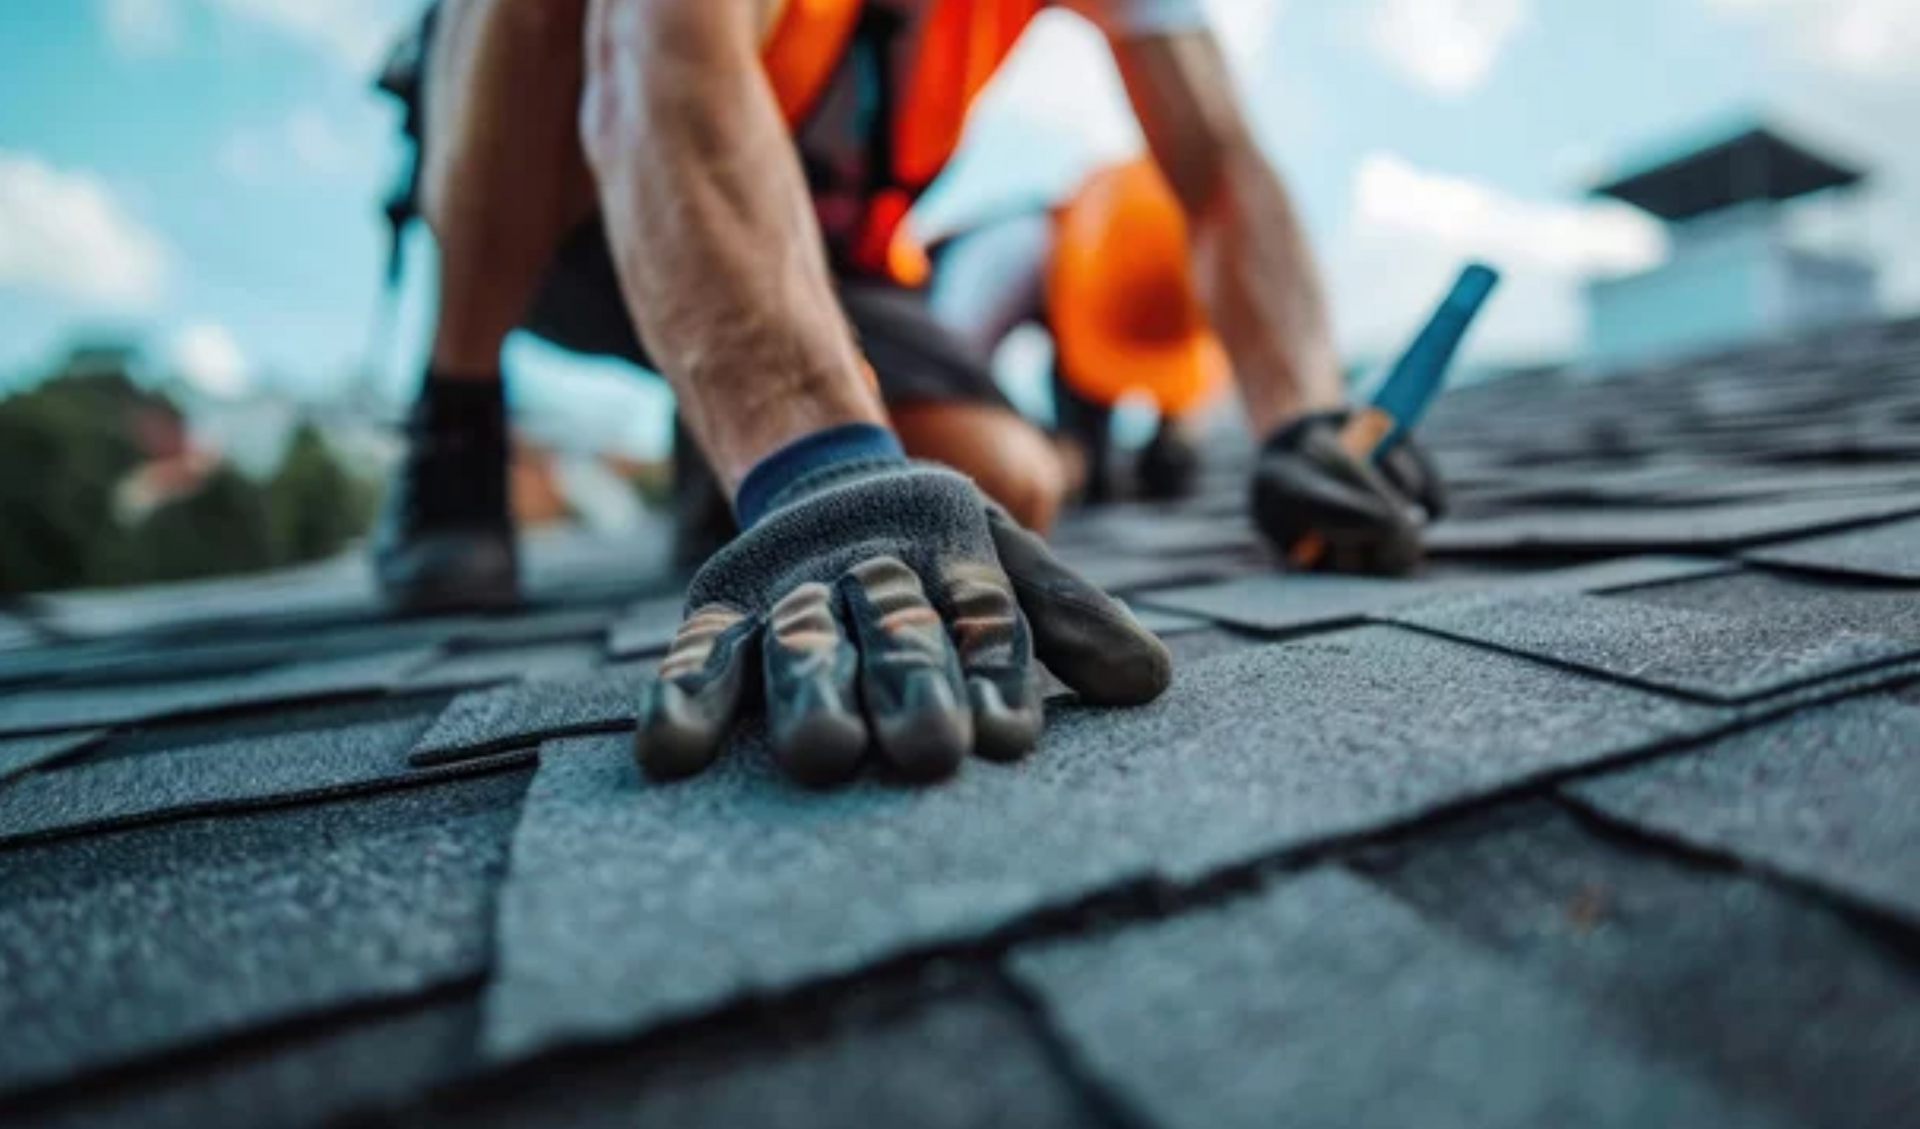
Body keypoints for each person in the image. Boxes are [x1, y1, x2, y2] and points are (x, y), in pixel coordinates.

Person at [371, 0, 1429, 787]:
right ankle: (456, 419)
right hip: (556, 194)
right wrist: (820, 464)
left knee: (1002, 479)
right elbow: (660, 49)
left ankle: (719, 441)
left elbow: (1222, 168)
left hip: (799, 230)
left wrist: (1304, 417)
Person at [929, 155, 1446, 522]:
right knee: (1033, 467)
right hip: (932, 356)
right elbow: (944, 407)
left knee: (1134, 471)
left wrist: (1181, 430)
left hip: (1081, 317)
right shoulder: (998, 264)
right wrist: (1044, 462)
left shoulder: (1174, 268)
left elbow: (1208, 354)